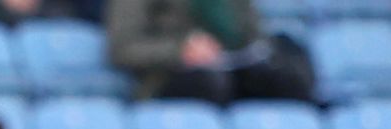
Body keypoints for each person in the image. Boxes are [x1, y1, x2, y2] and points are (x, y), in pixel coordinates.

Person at [104, 0, 313, 104]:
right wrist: (181, 49)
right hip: (168, 76)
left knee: (286, 78)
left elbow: (252, 30)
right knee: (215, 82)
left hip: (235, 66)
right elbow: (122, 48)